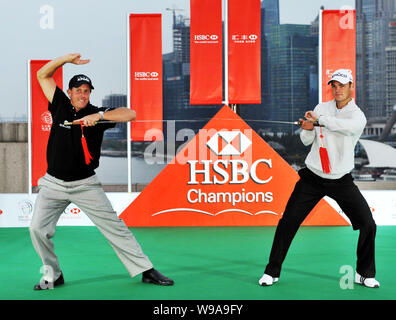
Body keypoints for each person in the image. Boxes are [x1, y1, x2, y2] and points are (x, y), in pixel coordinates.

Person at [30, 53, 174, 290]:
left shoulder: (98, 113)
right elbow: (42, 75)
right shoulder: (59, 105)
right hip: (53, 184)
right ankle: (53, 274)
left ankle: (146, 270)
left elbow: (131, 114)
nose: (82, 94)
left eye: (86, 90)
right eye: (78, 90)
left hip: (85, 185)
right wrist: (65, 60)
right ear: (69, 92)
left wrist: (99, 116)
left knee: (115, 228)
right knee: (36, 229)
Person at [258, 69, 379, 288]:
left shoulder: (357, 116)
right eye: (334, 85)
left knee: (368, 224)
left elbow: (344, 127)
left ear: (351, 86)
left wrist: (319, 121)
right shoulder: (321, 108)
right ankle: (272, 272)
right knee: (287, 223)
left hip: (340, 180)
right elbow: (306, 140)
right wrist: (307, 128)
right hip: (312, 178)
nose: (337, 89)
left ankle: (363, 273)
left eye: (342, 85)